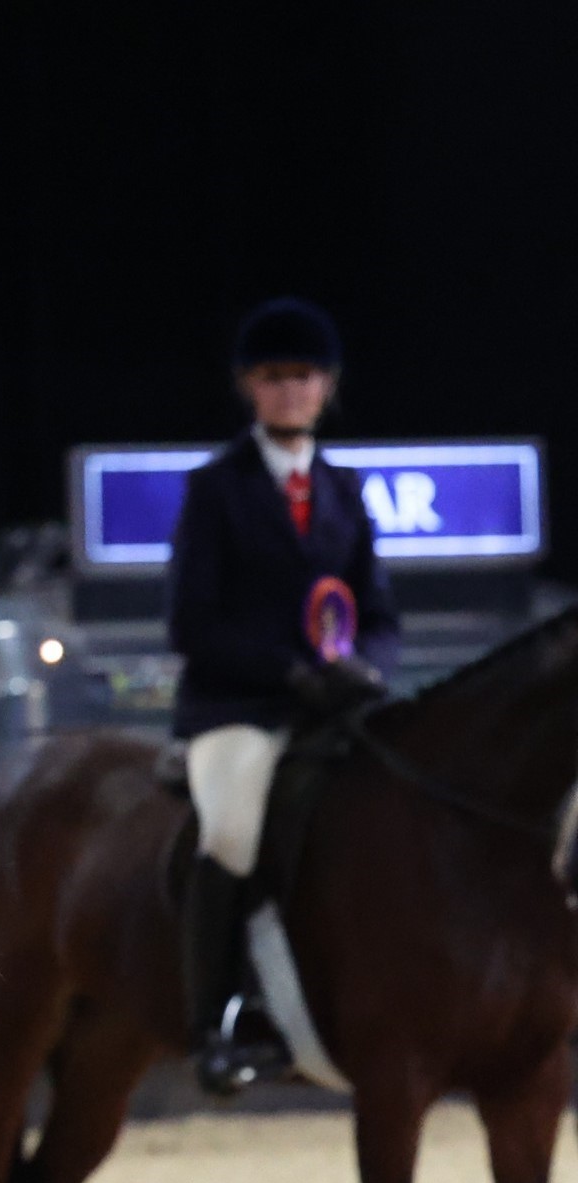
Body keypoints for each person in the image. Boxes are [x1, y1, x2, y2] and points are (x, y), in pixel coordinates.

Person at [168, 296, 399, 1094]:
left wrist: (367, 667)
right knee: (230, 832)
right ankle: (216, 1023)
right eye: (274, 376)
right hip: (239, 708)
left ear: (326, 385)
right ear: (249, 388)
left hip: (337, 703)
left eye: (303, 375)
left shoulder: (343, 488)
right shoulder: (215, 489)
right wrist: (287, 671)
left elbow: (378, 611)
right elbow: (193, 622)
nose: (290, 389)